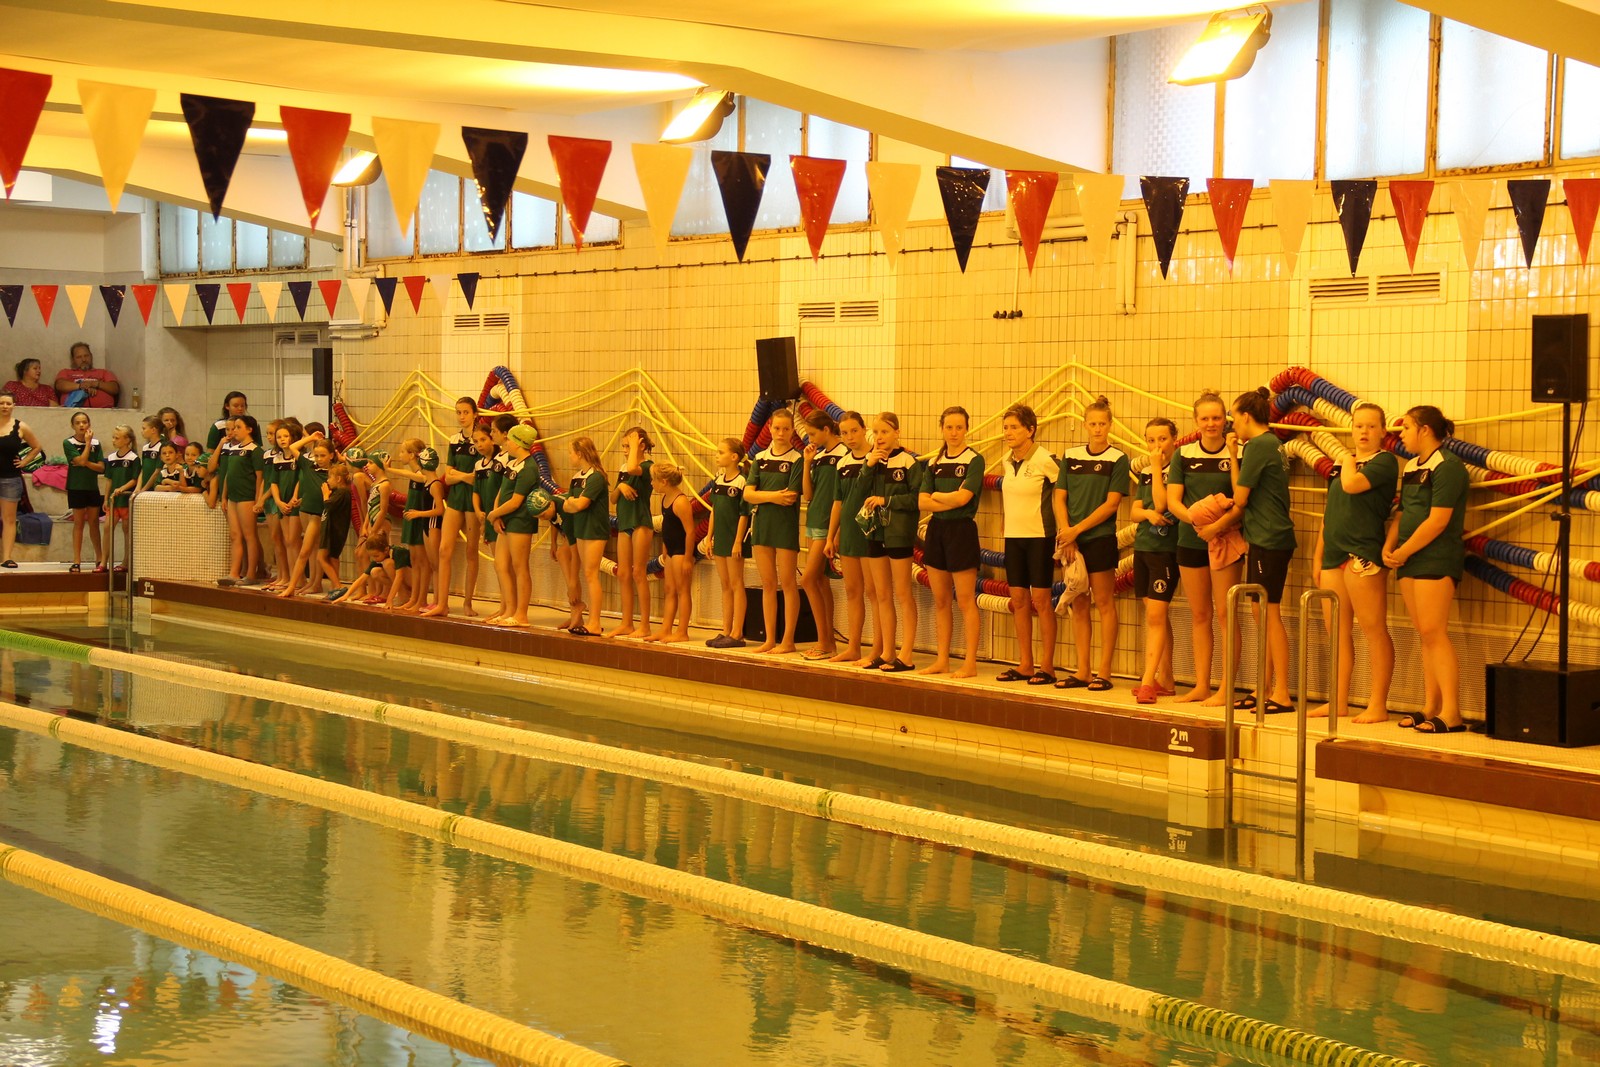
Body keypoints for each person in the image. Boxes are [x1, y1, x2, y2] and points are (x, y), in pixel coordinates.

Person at [1384, 405, 1469, 734]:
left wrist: (1403, 551)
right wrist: (1389, 546)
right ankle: (1431, 705)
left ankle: (1452, 712)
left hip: (1436, 556)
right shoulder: (1410, 466)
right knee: (1425, 634)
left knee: (1435, 631)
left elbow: (1438, 521)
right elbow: (1403, 513)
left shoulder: (1448, 467)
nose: (1401, 434)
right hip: (1409, 557)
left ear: (1424, 430)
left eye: (1406, 427)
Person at [1313, 402, 1398, 723]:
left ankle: (1378, 704)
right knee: (1336, 631)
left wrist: (1347, 460)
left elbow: (1351, 485)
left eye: (1371, 426)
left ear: (1383, 431)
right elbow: (1331, 510)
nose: (1364, 432)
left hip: (1362, 552)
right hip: (1333, 553)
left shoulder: (1384, 461)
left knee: (1373, 629)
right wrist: (1318, 555)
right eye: (1359, 426)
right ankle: (1338, 700)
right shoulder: (1342, 464)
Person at [1214, 388, 1297, 713]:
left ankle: (1282, 692)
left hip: (1269, 538)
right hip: (1268, 537)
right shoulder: (1270, 443)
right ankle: (1264, 687)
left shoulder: (1260, 445)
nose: (1233, 425)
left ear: (1246, 416)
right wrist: (1235, 454)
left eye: (1234, 418)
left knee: (1268, 612)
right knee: (1260, 612)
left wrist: (1235, 456)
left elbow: (1240, 497)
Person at [1166, 390, 1241, 706]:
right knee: (1200, 613)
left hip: (1225, 540)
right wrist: (1197, 523)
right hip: (1191, 539)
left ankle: (1226, 687)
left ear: (1225, 419)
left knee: (1226, 613)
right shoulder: (1183, 455)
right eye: (1205, 418)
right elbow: (1173, 500)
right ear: (1196, 421)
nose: (1211, 423)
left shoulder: (1238, 452)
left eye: (1216, 418)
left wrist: (1216, 527)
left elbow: (1242, 499)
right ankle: (1201, 685)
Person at [1053, 396, 1128, 691]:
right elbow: (1059, 497)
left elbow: (1111, 504)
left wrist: (1077, 530)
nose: (1097, 429)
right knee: (1079, 602)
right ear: (1084, 425)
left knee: (1105, 602)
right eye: (1093, 424)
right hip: (1072, 540)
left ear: (1110, 425)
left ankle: (1104, 671)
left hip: (1099, 539)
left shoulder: (1117, 459)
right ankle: (1083, 669)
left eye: (1102, 424)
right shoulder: (1071, 456)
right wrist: (1066, 533)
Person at [917, 406, 985, 678]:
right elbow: (922, 502)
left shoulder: (974, 460)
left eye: (959, 427)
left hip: (962, 531)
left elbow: (964, 498)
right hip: (937, 531)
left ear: (966, 429)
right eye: (949, 427)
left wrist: (937, 496)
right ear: (942, 429)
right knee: (941, 600)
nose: (954, 432)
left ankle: (970, 663)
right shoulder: (934, 462)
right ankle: (942, 660)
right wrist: (948, 499)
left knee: (966, 600)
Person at [997, 404, 1059, 685]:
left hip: (1039, 537)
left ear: (1030, 430)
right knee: (1019, 600)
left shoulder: (1046, 459)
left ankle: (1048, 666)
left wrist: (1065, 531)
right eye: (1006, 427)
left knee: (1042, 601)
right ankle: (1026, 664)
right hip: (1014, 538)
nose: (1008, 432)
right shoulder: (1006, 460)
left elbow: (1063, 494)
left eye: (1014, 427)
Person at [862, 412, 921, 672]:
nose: (879, 437)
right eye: (875, 432)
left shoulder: (908, 462)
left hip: (898, 533)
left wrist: (887, 501)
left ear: (897, 432)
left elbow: (917, 499)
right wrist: (868, 466)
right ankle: (887, 651)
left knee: (903, 593)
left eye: (884, 432)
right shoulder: (871, 461)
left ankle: (906, 654)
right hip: (875, 533)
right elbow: (858, 493)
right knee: (882, 594)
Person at [744, 408, 804, 655]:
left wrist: (762, 496)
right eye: (777, 428)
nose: (781, 433)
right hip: (762, 526)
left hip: (785, 527)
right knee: (768, 583)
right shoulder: (759, 458)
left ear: (792, 431)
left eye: (786, 429)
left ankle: (788, 640)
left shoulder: (797, 459)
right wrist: (772, 497)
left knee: (788, 583)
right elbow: (748, 494)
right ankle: (769, 639)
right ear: (769, 428)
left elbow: (790, 497)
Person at [1130, 418, 1180, 705]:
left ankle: (1148, 681)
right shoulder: (1148, 472)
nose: (1156, 445)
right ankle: (1167, 679)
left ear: (1174, 439)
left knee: (1155, 617)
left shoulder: (1175, 469)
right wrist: (1148, 515)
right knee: (1155, 615)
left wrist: (1158, 469)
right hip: (1144, 547)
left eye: (1162, 439)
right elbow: (1136, 511)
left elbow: (1161, 503)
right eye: (1151, 440)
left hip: (1166, 550)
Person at [830, 412, 885, 667]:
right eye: (844, 433)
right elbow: (838, 502)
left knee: (874, 592)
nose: (850, 437)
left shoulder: (878, 458)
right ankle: (853, 647)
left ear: (864, 430)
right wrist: (831, 536)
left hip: (871, 531)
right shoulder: (842, 463)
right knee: (852, 591)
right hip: (849, 533)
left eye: (854, 431)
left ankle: (878, 648)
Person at [427, 397, 484, 619]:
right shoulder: (454, 440)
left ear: (475, 414)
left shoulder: (481, 440)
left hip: (473, 500)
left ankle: (468, 602)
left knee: (471, 551)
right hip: (455, 499)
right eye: (458, 412)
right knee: (444, 550)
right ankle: (442, 603)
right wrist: (463, 476)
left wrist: (457, 475)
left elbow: (477, 477)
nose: (461, 416)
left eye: (465, 412)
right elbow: (448, 478)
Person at [485, 423, 545, 628]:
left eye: (509, 440)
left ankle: (521, 615)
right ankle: (509, 610)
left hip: (520, 521)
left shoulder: (530, 468)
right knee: (500, 564)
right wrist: (496, 515)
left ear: (518, 443)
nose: (506, 443)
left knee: (520, 567)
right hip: (505, 520)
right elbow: (502, 492)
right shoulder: (512, 462)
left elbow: (515, 501)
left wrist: (494, 514)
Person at [799, 411, 846, 660]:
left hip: (829, 525)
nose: (811, 439)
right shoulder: (818, 456)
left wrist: (836, 531)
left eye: (813, 434)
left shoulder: (844, 454)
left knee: (807, 580)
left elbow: (843, 497)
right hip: (814, 521)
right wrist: (807, 462)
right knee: (819, 582)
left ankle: (824, 641)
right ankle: (828, 642)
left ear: (827, 430)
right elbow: (808, 495)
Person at [609, 426, 656, 639]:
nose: (625, 450)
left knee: (639, 573)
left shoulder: (647, 466)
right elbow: (613, 499)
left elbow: (633, 469)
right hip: (624, 523)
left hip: (640, 523)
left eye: (629, 446)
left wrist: (636, 446)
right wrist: (620, 487)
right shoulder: (624, 468)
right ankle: (626, 623)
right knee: (623, 573)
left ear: (641, 446)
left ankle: (644, 625)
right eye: (624, 446)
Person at [562, 435, 610, 636]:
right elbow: (566, 505)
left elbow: (581, 504)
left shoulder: (596, 477)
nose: (569, 456)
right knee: (588, 573)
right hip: (581, 528)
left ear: (580, 454)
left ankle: (595, 622)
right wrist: (573, 502)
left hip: (594, 530)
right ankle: (592, 621)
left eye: (571, 453)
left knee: (591, 574)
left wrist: (574, 502)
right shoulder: (577, 477)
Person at [705, 436, 750, 649]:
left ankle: (737, 632)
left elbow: (744, 514)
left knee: (736, 583)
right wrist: (709, 537)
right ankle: (726, 630)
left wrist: (738, 541)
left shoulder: (742, 481)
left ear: (734, 457)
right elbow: (714, 510)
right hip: (721, 538)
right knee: (725, 585)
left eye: (721, 452)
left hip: (734, 539)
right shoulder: (719, 479)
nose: (717, 455)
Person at [389, 441, 443, 613]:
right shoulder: (417, 475)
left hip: (422, 520)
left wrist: (389, 470)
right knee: (414, 561)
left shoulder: (423, 476)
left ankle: (422, 599)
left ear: (412, 454)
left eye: (402, 452)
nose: (399, 455)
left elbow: (417, 477)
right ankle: (414, 598)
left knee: (423, 562)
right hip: (412, 519)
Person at [210, 415, 264, 586]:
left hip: (246, 497)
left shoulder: (255, 450)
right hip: (233, 497)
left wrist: (258, 499)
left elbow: (259, 477)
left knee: (250, 536)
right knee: (235, 535)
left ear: (249, 430)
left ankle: (251, 573)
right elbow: (228, 475)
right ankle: (234, 573)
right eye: (234, 428)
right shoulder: (233, 449)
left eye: (239, 427)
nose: (234, 431)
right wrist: (224, 496)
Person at [647, 462, 696, 644]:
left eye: (653, 480)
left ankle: (682, 631)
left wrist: (688, 558)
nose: (651, 483)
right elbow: (667, 525)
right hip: (671, 550)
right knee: (669, 590)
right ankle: (665, 629)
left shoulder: (681, 502)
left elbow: (690, 532)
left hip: (681, 551)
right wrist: (665, 547)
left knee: (683, 591)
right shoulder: (665, 498)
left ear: (664, 481)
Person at [0, 390, 45, 568]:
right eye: (1, 403)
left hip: (10, 478)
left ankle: (7, 557)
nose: (4, 406)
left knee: (9, 519)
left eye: (8, 403)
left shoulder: (21, 427)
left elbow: (37, 447)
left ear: (13, 406)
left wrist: (24, 462)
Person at [265, 420, 305, 593]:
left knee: (294, 541)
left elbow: (300, 480)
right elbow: (273, 483)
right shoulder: (278, 458)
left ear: (293, 437)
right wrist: (278, 501)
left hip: (294, 503)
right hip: (282, 504)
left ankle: (299, 579)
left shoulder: (298, 457)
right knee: (288, 542)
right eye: (279, 437)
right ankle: (289, 578)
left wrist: (294, 497)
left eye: (285, 436)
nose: (282, 439)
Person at [471, 426, 507, 624]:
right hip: (488, 517)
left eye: (483, 439)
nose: (480, 444)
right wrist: (478, 511)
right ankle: (504, 606)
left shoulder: (500, 462)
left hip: (499, 517)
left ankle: (507, 607)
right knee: (498, 564)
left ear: (492, 440)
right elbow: (476, 491)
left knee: (504, 565)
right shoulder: (479, 465)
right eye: (476, 441)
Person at [63, 410, 105, 572]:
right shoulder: (68, 443)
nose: (82, 425)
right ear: (72, 425)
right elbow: (78, 460)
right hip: (76, 487)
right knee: (79, 523)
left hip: (92, 487)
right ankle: (76, 560)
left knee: (94, 523)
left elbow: (101, 467)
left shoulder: (97, 443)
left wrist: (84, 463)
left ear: (89, 424)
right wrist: (87, 445)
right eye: (78, 423)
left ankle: (99, 558)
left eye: (84, 422)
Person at [102, 425, 139, 572]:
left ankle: (125, 562)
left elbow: (134, 479)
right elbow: (109, 480)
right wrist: (105, 499)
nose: (113, 440)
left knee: (126, 530)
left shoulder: (133, 458)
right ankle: (103, 562)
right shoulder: (111, 458)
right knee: (107, 528)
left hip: (125, 500)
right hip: (114, 501)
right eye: (113, 437)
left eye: (117, 438)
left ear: (127, 440)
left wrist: (122, 489)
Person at [315, 463, 354, 594]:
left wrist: (325, 494)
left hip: (333, 531)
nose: (327, 480)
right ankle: (334, 586)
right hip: (332, 529)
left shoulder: (342, 492)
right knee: (332, 558)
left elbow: (329, 505)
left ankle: (337, 585)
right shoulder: (339, 492)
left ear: (338, 479)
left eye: (330, 477)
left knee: (321, 558)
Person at [333, 531, 393, 606]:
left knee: (387, 563)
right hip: (398, 581)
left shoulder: (396, 553)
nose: (375, 559)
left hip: (405, 582)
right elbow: (361, 579)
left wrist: (390, 599)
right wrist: (346, 595)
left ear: (386, 550)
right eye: (372, 556)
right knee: (375, 571)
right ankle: (383, 593)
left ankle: (399, 594)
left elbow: (399, 577)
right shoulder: (378, 560)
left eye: (376, 556)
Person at [54, 342, 119, 408]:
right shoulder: (65, 372)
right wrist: (81, 386)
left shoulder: (103, 372)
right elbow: (59, 385)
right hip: (72, 411)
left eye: (86, 356)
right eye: (79, 357)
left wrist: (94, 384)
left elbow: (115, 388)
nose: (84, 360)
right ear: (73, 360)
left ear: (91, 356)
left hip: (104, 411)